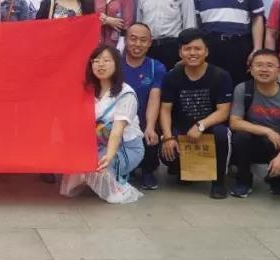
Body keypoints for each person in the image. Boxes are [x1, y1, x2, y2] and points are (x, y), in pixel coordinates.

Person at [59, 45, 144, 204]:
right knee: (74, 176)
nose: (100, 65)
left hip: (125, 147)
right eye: (96, 61)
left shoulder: (126, 94)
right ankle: (96, 178)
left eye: (106, 60)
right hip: (98, 144)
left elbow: (117, 131)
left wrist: (109, 156)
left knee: (96, 164)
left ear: (116, 64)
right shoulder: (88, 90)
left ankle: (119, 187)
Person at [159, 28, 233, 199]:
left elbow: (223, 112)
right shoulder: (171, 77)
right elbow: (165, 109)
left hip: (210, 127)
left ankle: (219, 182)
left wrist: (201, 125)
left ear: (206, 51)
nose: (192, 53)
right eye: (187, 49)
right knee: (167, 153)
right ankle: (183, 171)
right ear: (180, 52)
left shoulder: (221, 76)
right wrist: (168, 137)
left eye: (197, 49)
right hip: (182, 128)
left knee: (222, 134)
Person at [228, 49, 280, 198]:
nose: (264, 69)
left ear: (279, 70)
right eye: (259, 65)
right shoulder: (243, 89)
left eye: (270, 65)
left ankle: (277, 178)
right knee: (240, 137)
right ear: (251, 69)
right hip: (253, 140)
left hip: (278, 143)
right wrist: (267, 131)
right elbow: (235, 122)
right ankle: (243, 180)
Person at [120, 23, 167, 190]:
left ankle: (148, 170)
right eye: (133, 39)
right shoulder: (115, 64)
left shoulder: (156, 67)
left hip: (145, 116)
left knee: (151, 130)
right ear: (125, 40)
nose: (137, 44)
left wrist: (150, 127)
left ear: (150, 43)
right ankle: (125, 167)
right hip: (120, 118)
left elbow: (154, 98)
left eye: (143, 40)